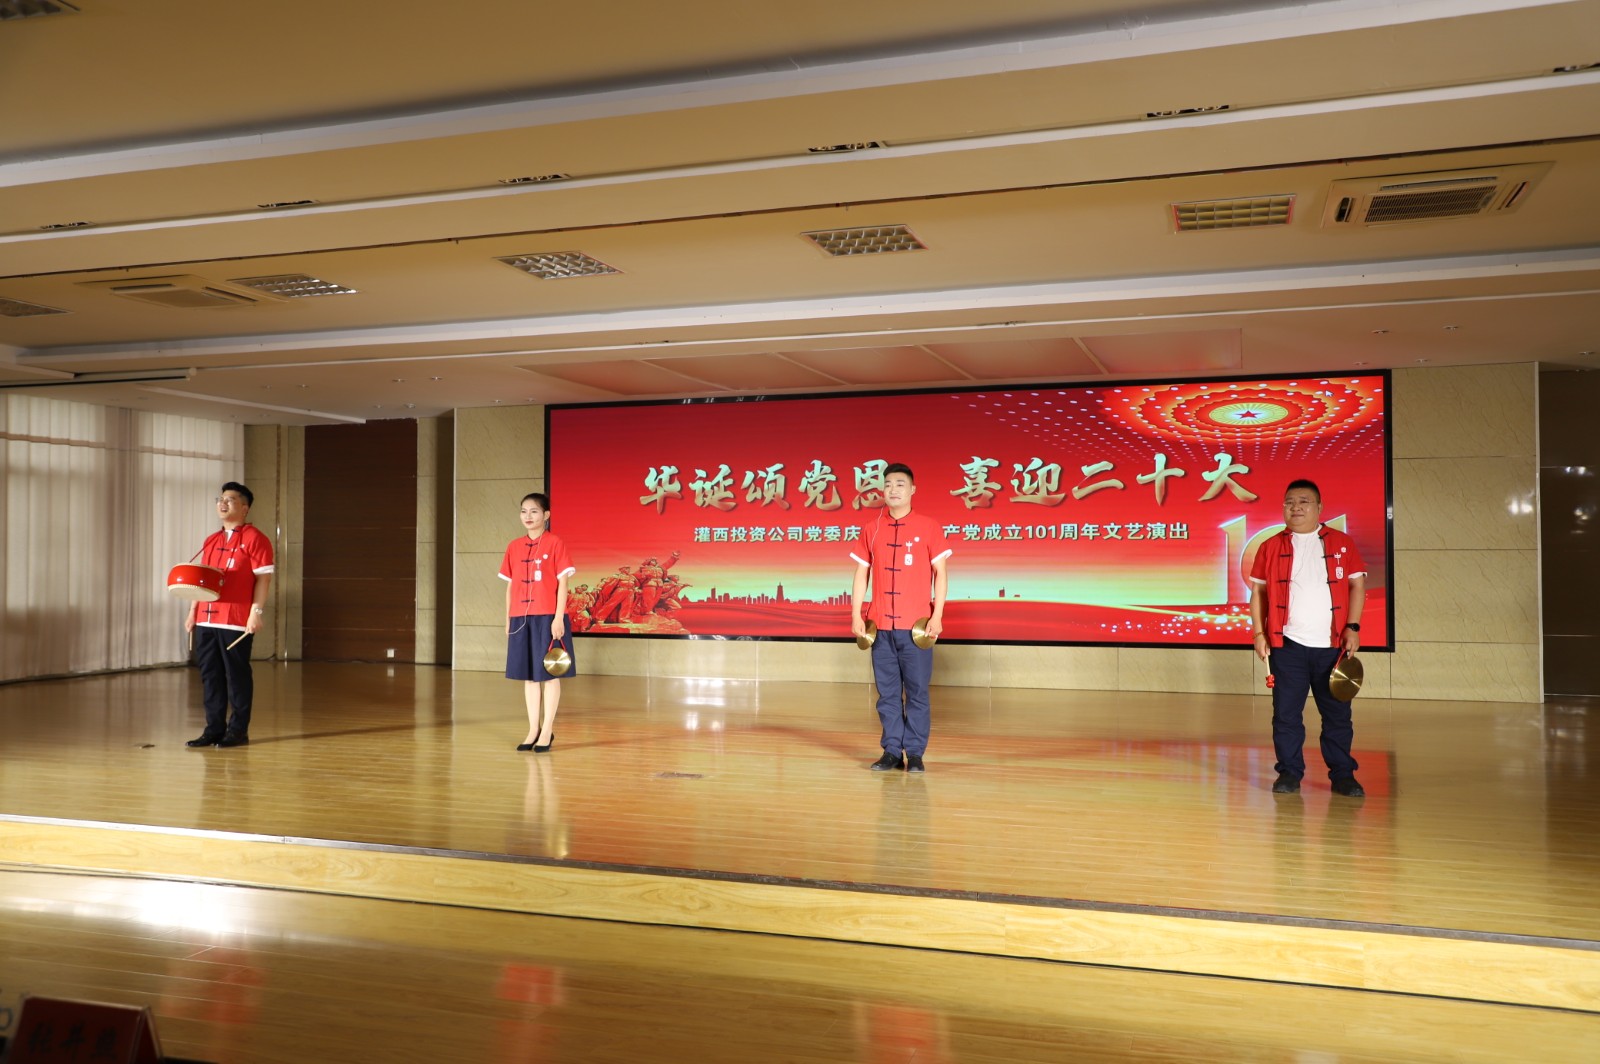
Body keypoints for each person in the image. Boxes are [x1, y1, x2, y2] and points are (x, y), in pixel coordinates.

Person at [1249, 479, 1368, 797]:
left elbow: (1357, 586)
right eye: (1289, 502)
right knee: (1286, 715)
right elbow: (1258, 592)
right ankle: (1289, 773)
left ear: (1319, 507)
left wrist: (1353, 627)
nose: (1296, 507)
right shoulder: (1270, 546)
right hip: (1287, 647)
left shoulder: (1342, 543)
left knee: (1337, 715)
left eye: (1303, 501)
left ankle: (1343, 775)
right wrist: (1259, 632)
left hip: (1332, 647)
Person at [849, 463, 951, 773]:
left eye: (900, 484)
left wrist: (937, 615)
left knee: (917, 692)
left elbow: (941, 573)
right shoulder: (871, 528)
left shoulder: (929, 526)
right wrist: (856, 615)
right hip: (880, 626)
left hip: (916, 627)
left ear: (912, 489)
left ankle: (916, 753)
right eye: (888, 484)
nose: (893, 489)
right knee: (888, 694)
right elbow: (861, 574)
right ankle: (892, 751)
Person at [186, 482, 275, 748]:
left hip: (235, 619)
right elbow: (200, 580)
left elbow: (263, 580)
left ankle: (238, 731)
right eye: (221, 498)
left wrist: (255, 612)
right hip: (206, 617)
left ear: (245, 508)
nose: (223, 503)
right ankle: (213, 729)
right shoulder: (211, 540)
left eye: (231, 499)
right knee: (210, 675)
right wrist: (192, 612)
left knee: (236, 676)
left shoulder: (256, 538)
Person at [500, 493, 576, 752]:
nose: (528, 516)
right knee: (529, 677)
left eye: (534, 511)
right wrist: (508, 619)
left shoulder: (555, 543)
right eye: (523, 511)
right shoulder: (513, 546)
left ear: (546, 515)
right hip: (520, 617)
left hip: (548, 617)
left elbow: (563, 584)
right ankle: (533, 728)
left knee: (550, 673)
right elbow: (510, 587)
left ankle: (547, 730)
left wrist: (558, 618)